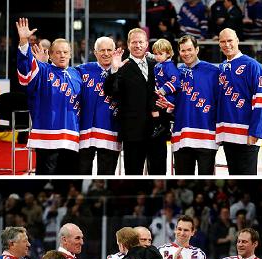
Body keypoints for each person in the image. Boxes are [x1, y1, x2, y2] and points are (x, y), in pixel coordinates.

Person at [16, 18, 81, 175]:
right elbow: (25, 72)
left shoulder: (77, 74)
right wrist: (24, 42)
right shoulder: (42, 70)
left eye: (65, 52)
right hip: (47, 138)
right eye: (57, 52)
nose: (62, 55)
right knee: (46, 180)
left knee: (67, 179)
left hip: (71, 138)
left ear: (71, 54)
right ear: (50, 55)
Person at [104, 28, 167, 175]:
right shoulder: (122, 65)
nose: (137, 45)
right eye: (134, 42)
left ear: (146, 44)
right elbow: (110, 92)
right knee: (133, 174)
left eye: (141, 42)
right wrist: (114, 69)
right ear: (128, 44)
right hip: (132, 132)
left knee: (159, 174)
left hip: (157, 130)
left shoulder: (157, 64)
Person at [216, 28, 262, 175]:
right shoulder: (221, 68)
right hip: (228, 135)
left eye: (229, 40)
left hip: (247, 136)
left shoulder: (252, 66)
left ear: (237, 41)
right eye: (222, 41)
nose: (226, 44)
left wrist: (256, 131)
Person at [169, 35, 219, 175]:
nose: (186, 53)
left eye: (189, 49)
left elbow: (220, 102)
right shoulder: (175, 74)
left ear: (197, 49)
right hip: (182, 138)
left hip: (207, 138)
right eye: (183, 50)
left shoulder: (213, 72)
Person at [76, 36, 121, 175]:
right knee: (82, 172)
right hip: (85, 131)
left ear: (114, 52)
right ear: (95, 52)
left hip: (111, 129)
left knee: (107, 174)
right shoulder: (82, 70)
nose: (106, 53)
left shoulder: (124, 71)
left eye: (109, 50)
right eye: (102, 50)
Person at [152, 38, 180, 138]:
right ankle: (162, 126)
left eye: (160, 54)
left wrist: (162, 91)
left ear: (168, 54)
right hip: (162, 96)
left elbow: (176, 82)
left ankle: (161, 126)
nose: (157, 56)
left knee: (153, 104)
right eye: (155, 54)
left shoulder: (169, 66)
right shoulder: (159, 65)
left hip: (169, 97)